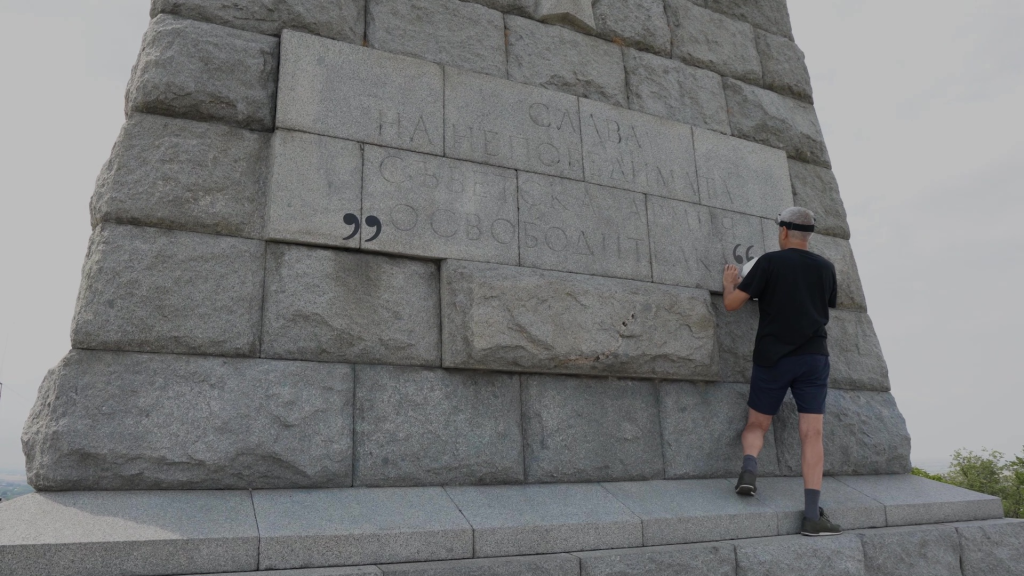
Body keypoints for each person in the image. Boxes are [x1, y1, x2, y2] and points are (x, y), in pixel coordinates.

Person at [721, 206, 843, 537]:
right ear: (809, 234)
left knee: (757, 424)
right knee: (812, 434)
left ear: (784, 232)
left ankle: (749, 469)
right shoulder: (826, 268)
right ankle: (811, 516)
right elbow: (824, 304)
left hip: (772, 358)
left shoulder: (769, 263)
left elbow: (732, 305)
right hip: (813, 359)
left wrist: (730, 283)